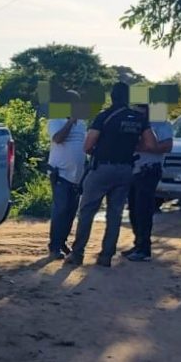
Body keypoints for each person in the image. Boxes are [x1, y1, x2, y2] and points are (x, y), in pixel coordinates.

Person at [66, 82, 159, 267]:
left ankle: (77, 254)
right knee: (114, 215)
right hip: (125, 170)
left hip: (102, 169)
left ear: (112, 97)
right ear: (128, 98)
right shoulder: (138, 119)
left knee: (87, 212)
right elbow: (151, 144)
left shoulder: (104, 116)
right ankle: (106, 256)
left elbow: (87, 145)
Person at [124, 105, 173, 262]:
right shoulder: (133, 123)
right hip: (133, 170)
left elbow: (167, 146)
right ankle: (138, 243)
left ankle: (144, 249)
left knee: (143, 210)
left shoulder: (160, 123)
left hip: (149, 170)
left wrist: (146, 147)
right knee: (133, 209)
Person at [46, 90, 87, 259]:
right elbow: (57, 139)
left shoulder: (82, 123)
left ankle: (62, 241)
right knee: (60, 209)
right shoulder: (55, 120)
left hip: (77, 176)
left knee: (71, 211)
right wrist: (70, 122)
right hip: (60, 174)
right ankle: (54, 246)